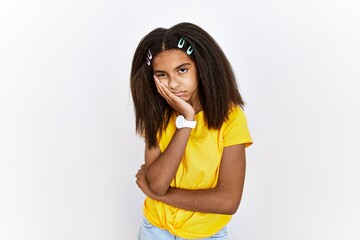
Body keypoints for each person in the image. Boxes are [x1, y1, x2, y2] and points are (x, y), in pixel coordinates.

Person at [130, 22, 253, 239]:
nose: (174, 84)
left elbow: (228, 201)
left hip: (205, 234)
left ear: (201, 67)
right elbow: (158, 184)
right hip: (155, 230)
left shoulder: (231, 118)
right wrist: (187, 120)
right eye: (162, 75)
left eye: (182, 70)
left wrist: (163, 196)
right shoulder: (158, 113)